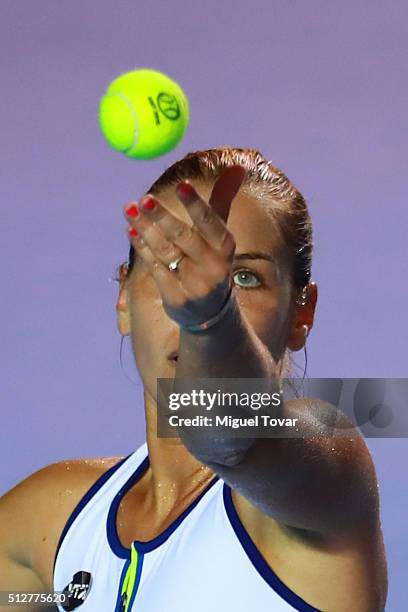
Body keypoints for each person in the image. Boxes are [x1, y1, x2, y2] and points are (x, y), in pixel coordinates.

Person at [0, 147, 387, 611]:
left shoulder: (330, 467)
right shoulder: (52, 518)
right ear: (124, 298)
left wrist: (211, 318)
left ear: (301, 313)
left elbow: (222, 430)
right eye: (170, 266)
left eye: (243, 278)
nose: (192, 291)